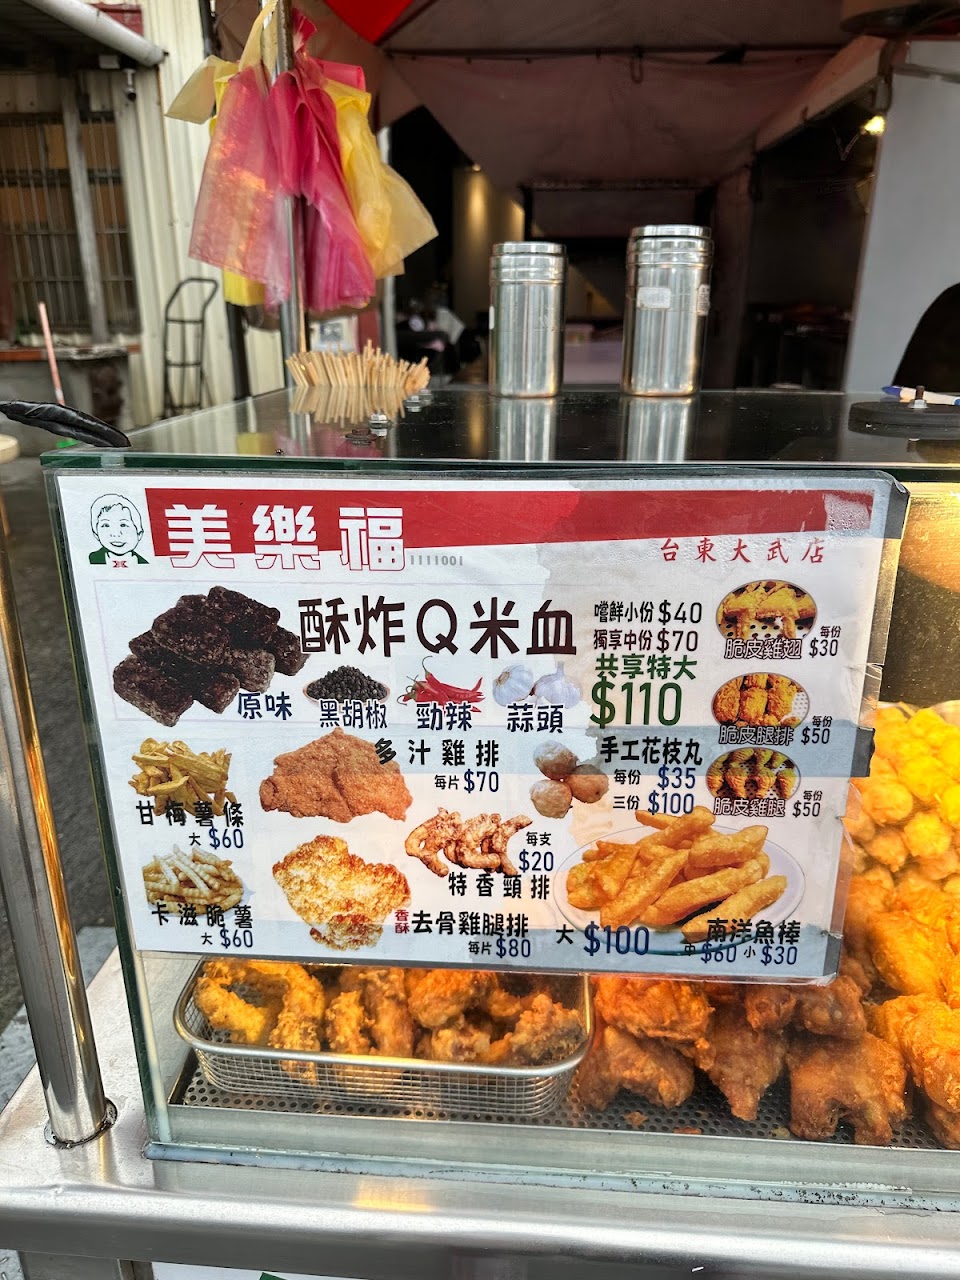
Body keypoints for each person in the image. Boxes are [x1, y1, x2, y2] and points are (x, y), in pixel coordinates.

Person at [88, 494, 148, 564]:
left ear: (139, 534)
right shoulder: (90, 559)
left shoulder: (144, 563)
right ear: (96, 534)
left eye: (123, 525)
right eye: (106, 525)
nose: (115, 534)